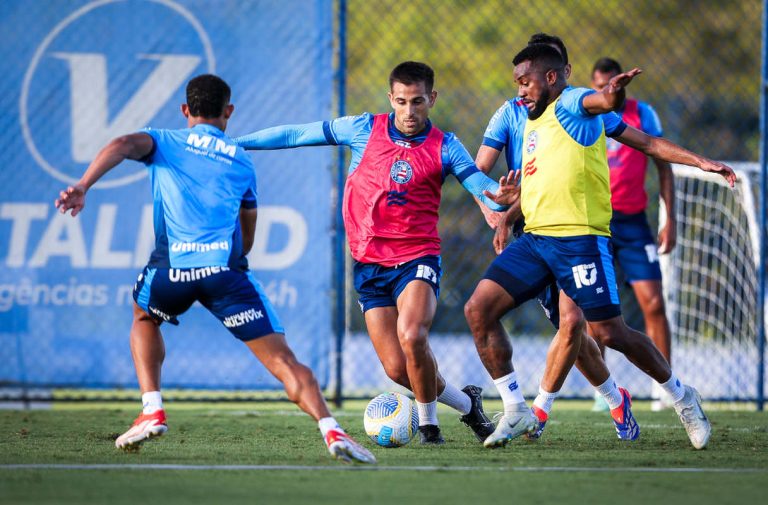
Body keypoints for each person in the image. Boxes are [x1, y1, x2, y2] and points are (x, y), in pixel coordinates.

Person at [54, 74, 376, 464]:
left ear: (185, 110)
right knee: (282, 360)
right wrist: (236, 263)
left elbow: (122, 144)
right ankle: (331, 429)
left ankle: (152, 407)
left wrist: (84, 185)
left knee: (143, 316)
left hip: (172, 270)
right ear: (229, 112)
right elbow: (249, 223)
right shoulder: (240, 159)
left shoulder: (164, 141)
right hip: (225, 273)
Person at [464, 43, 735, 450]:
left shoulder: (575, 104)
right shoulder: (531, 120)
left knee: (609, 333)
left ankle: (682, 396)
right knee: (478, 310)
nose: (519, 91)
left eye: (525, 82)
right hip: (536, 239)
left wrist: (698, 160)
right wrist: (505, 213)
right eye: (517, 83)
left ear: (551, 78)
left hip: (580, 242)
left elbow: (640, 137)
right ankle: (517, 408)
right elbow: (539, 184)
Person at [235, 61, 517, 444]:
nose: (409, 111)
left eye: (418, 102)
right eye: (401, 102)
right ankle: (468, 406)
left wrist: (497, 199)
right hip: (369, 264)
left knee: (412, 334)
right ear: (391, 99)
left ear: (431, 99)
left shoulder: (446, 146)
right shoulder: (363, 128)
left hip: (417, 258)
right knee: (398, 369)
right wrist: (236, 144)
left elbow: (479, 184)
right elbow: (296, 135)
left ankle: (429, 427)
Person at [590, 57, 675, 411]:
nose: (607, 91)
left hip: (634, 223)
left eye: (612, 84)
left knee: (653, 303)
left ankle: (667, 388)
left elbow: (663, 165)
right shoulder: (585, 114)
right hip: (595, 222)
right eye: (599, 86)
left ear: (622, 84)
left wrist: (670, 218)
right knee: (595, 309)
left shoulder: (645, 115)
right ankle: (604, 389)